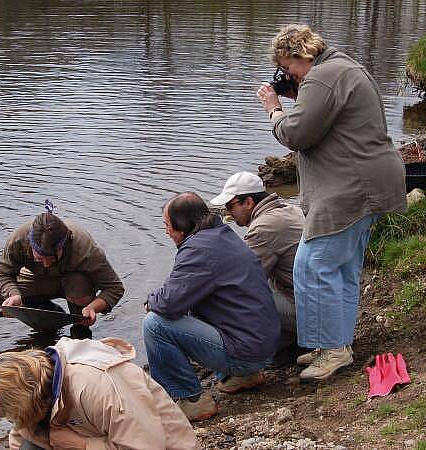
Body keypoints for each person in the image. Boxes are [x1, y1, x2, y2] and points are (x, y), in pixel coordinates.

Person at [256, 24, 407, 381]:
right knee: (341, 267)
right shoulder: (340, 68)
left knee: (314, 265)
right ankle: (335, 344)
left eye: (286, 67)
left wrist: (274, 109)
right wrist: (300, 99)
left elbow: (295, 134)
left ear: (299, 55)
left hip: (351, 186)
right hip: (366, 180)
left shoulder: (323, 76)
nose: (285, 75)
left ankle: (333, 350)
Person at [143, 192, 280, 421]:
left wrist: (151, 301)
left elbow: (167, 303)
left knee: (155, 324)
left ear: (183, 224)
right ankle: (245, 376)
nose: (166, 231)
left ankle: (192, 400)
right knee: (194, 304)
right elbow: (180, 290)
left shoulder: (197, 250)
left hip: (247, 352)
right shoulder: (221, 235)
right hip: (263, 344)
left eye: (167, 225)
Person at [0, 337, 199, 450]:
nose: (13, 422)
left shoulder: (96, 386)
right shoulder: (37, 388)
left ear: (28, 401)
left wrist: (81, 445)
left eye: (13, 416)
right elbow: (21, 436)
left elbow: (148, 447)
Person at [209, 171, 305, 391]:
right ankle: (287, 346)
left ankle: (241, 371)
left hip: (308, 310)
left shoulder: (264, 227)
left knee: (222, 299)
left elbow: (237, 281)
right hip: (315, 299)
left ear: (249, 202)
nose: (228, 213)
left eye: (230, 207)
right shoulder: (286, 209)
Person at [0, 207, 124, 339]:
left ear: (63, 247)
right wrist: (14, 295)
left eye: (51, 259)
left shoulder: (85, 248)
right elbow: (3, 273)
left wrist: (92, 307)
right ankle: (47, 319)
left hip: (73, 283)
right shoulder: (18, 240)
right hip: (36, 277)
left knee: (79, 285)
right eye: (39, 259)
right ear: (30, 246)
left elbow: (115, 288)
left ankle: (80, 331)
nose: (46, 264)